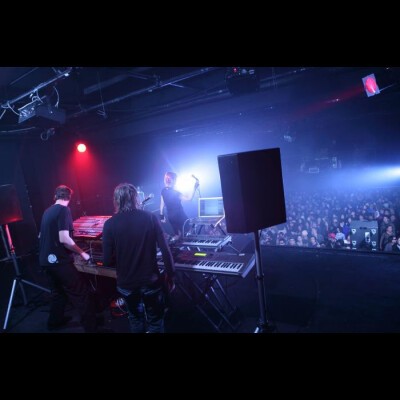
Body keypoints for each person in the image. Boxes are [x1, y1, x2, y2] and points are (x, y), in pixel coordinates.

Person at [102, 183, 175, 333]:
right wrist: (170, 274)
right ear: (136, 198)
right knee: (155, 320)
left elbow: (107, 261)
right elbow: (165, 250)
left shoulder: (109, 224)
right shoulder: (150, 218)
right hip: (150, 281)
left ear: (116, 200)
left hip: (126, 283)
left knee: (135, 319)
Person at [39, 185, 98, 332]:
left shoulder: (48, 211)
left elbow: (42, 236)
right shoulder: (63, 210)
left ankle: (54, 322)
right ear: (69, 198)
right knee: (80, 293)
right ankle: (92, 328)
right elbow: (64, 238)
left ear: (55, 196)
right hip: (59, 261)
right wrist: (82, 253)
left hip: (45, 261)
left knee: (58, 293)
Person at [160, 172, 199, 242]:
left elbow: (161, 205)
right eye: (175, 179)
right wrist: (195, 187)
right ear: (173, 180)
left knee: (177, 234)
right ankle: (191, 245)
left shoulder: (163, 191)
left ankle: (170, 245)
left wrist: (162, 217)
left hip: (170, 217)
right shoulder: (175, 193)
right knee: (190, 229)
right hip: (180, 215)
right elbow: (189, 199)